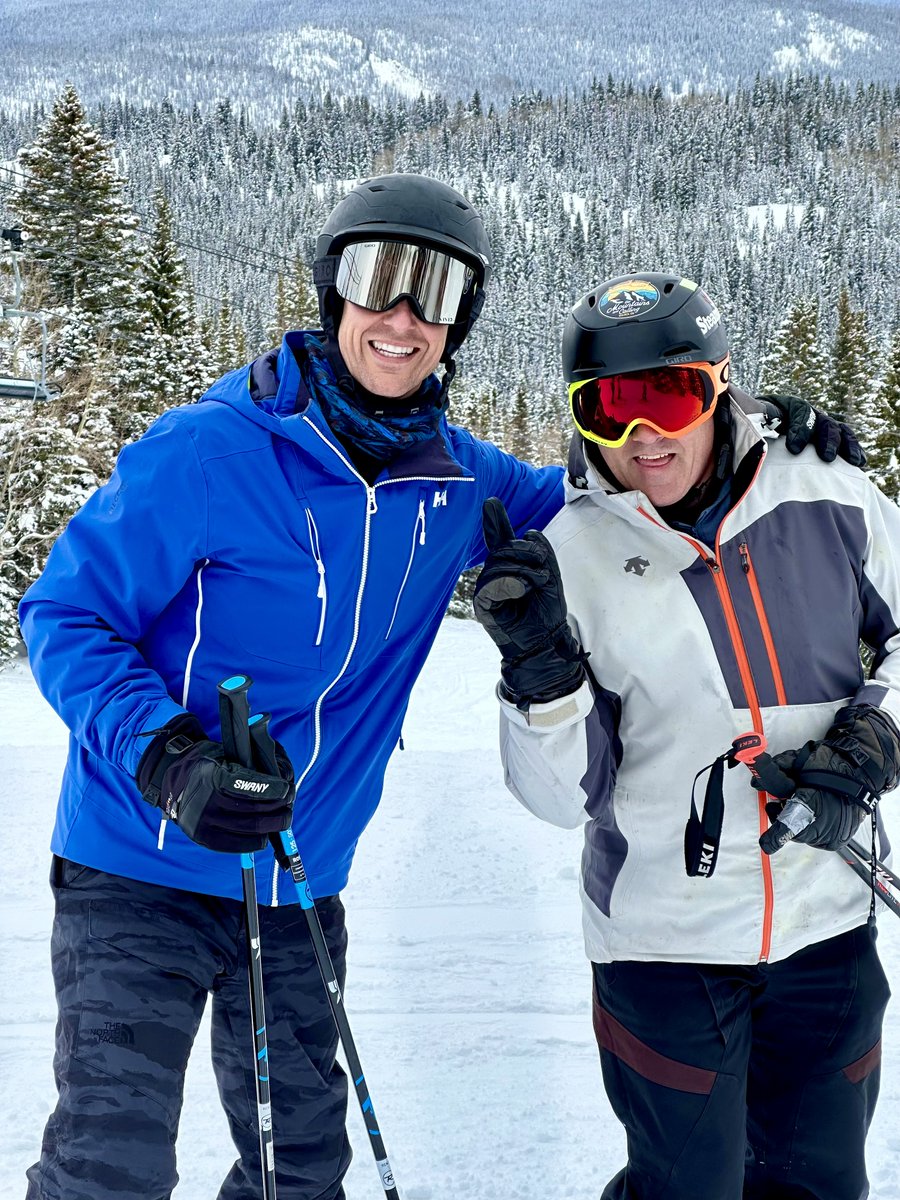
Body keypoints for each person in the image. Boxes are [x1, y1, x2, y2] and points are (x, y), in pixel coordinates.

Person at [19, 182, 858, 1200]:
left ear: (460, 319)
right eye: (380, 280)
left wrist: (765, 439)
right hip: (137, 863)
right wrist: (166, 755)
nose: (403, 317)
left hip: (296, 879)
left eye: (438, 289)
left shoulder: (461, 485)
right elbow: (64, 616)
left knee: (299, 1169)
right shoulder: (208, 451)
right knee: (113, 1158)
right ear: (334, 293)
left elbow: (626, 496)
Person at [472, 271, 900, 1199]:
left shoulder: (825, 490)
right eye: (608, 410)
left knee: (820, 1183)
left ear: (720, 385)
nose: (643, 436)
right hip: (663, 947)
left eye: (667, 395)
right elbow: (554, 799)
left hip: (827, 918)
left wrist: (872, 738)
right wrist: (540, 681)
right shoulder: (571, 555)